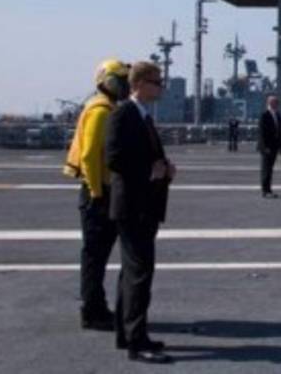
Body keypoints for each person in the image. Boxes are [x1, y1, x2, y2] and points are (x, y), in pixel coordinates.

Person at [106, 61, 175, 364]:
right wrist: (151, 170)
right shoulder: (124, 113)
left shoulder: (142, 116)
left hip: (143, 206)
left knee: (130, 274)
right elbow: (115, 158)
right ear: (138, 84)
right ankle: (137, 342)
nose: (160, 86)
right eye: (156, 81)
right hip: (134, 206)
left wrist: (164, 168)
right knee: (139, 275)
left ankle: (127, 334)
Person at [63, 59, 129, 332]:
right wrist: (98, 192)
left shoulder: (104, 107)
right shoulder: (101, 110)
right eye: (121, 80)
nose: (125, 85)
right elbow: (90, 155)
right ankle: (92, 310)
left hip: (98, 189)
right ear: (108, 81)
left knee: (96, 255)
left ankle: (96, 306)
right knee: (94, 255)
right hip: (98, 192)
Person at [257, 95, 281, 198]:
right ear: (269, 103)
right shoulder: (264, 115)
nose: (277, 104)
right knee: (266, 169)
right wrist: (265, 147)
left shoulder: (277, 115)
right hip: (267, 147)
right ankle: (265, 190)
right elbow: (262, 133)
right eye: (275, 102)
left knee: (270, 169)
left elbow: (279, 132)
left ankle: (268, 189)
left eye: (277, 102)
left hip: (274, 146)